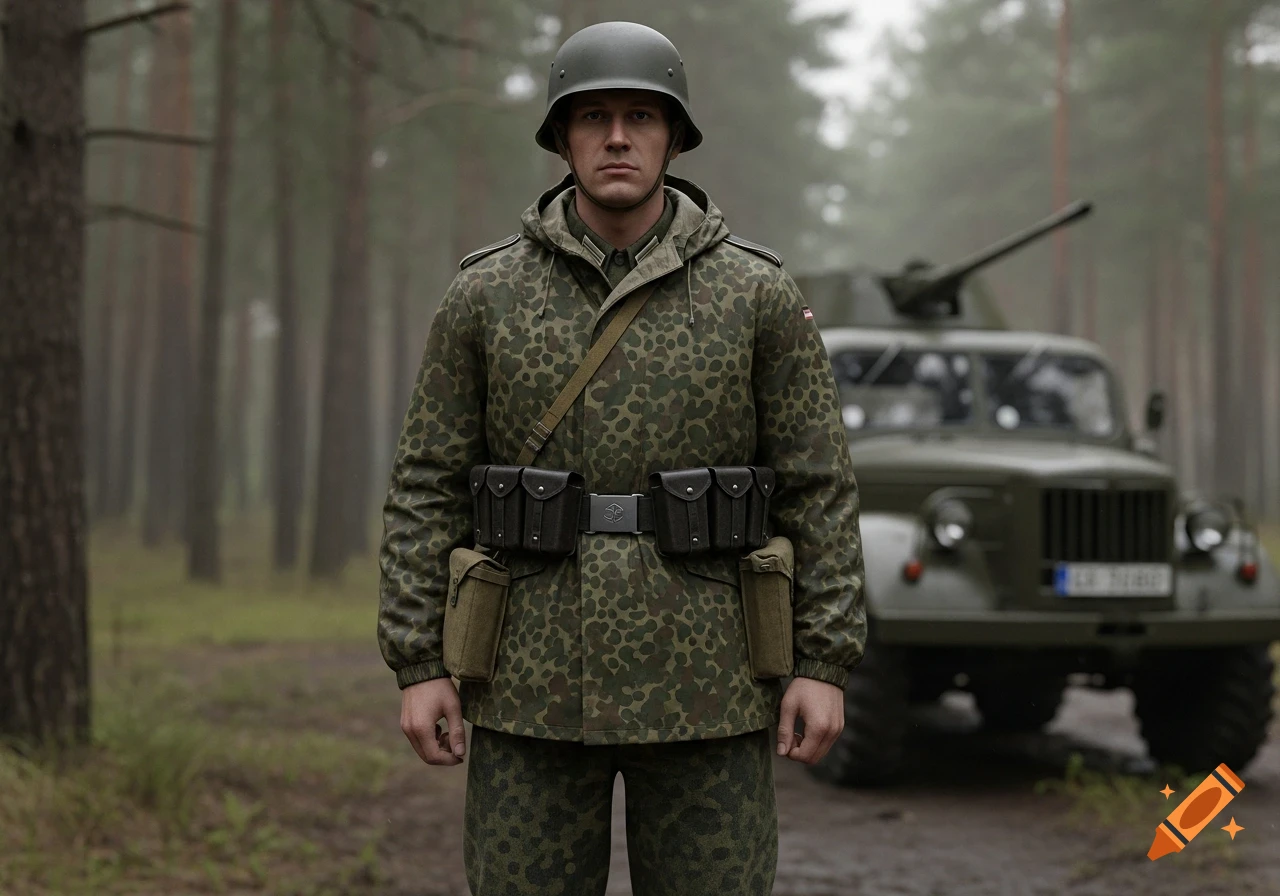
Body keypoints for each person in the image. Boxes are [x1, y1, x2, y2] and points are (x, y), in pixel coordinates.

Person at [378, 20, 866, 895]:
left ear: (674, 137)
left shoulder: (754, 294)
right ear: (561, 138)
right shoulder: (486, 294)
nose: (616, 137)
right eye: (593, 116)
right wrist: (418, 665)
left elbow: (817, 487)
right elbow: (427, 484)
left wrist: (822, 664)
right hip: (528, 679)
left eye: (641, 116)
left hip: (709, 682)